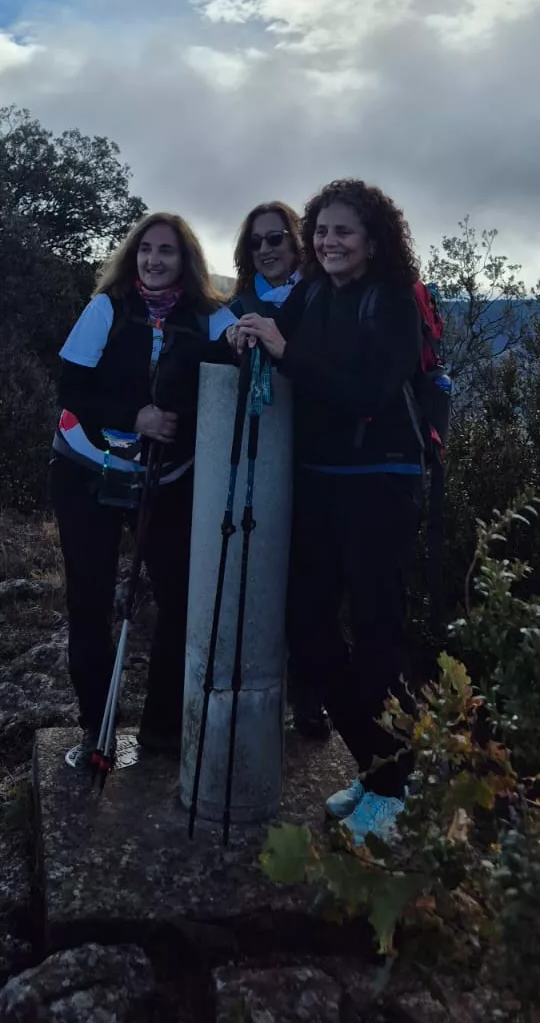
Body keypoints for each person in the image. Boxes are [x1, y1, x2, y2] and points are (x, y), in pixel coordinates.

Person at [229, 179, 424, 846]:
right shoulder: (312, 294)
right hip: (319, 482)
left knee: (375, 635)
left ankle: (392, 788)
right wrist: (246, 338)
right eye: (321, 231)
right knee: (308, 629)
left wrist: (286, 352)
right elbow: (281, 344)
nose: (329, 242)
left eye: (344, 231)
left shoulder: (393, 301)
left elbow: (368, 391)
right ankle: (378, 766)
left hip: (380, 485)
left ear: (373, 240)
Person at [51, 212, 236, 766]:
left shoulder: (208, 316)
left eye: (167, 251)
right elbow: (71, 387)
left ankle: (160, 731)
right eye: (146, 249)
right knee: (89, 599)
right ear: (133, 254)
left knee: (179, 599)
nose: (154, 260)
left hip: (167, 479)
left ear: (186, 259)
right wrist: (137, 416)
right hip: (87, 469)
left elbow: (240, 350)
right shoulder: (106, 308)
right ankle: (97, 728)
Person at [229, 202, 329, 743]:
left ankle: (308, 698)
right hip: (253, 461)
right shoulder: (235, 307)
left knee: (310, 583)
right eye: (256, 242)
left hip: (314, 458)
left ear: (296, 242)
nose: (265, 249)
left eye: (276, 238)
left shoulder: (320, 297)